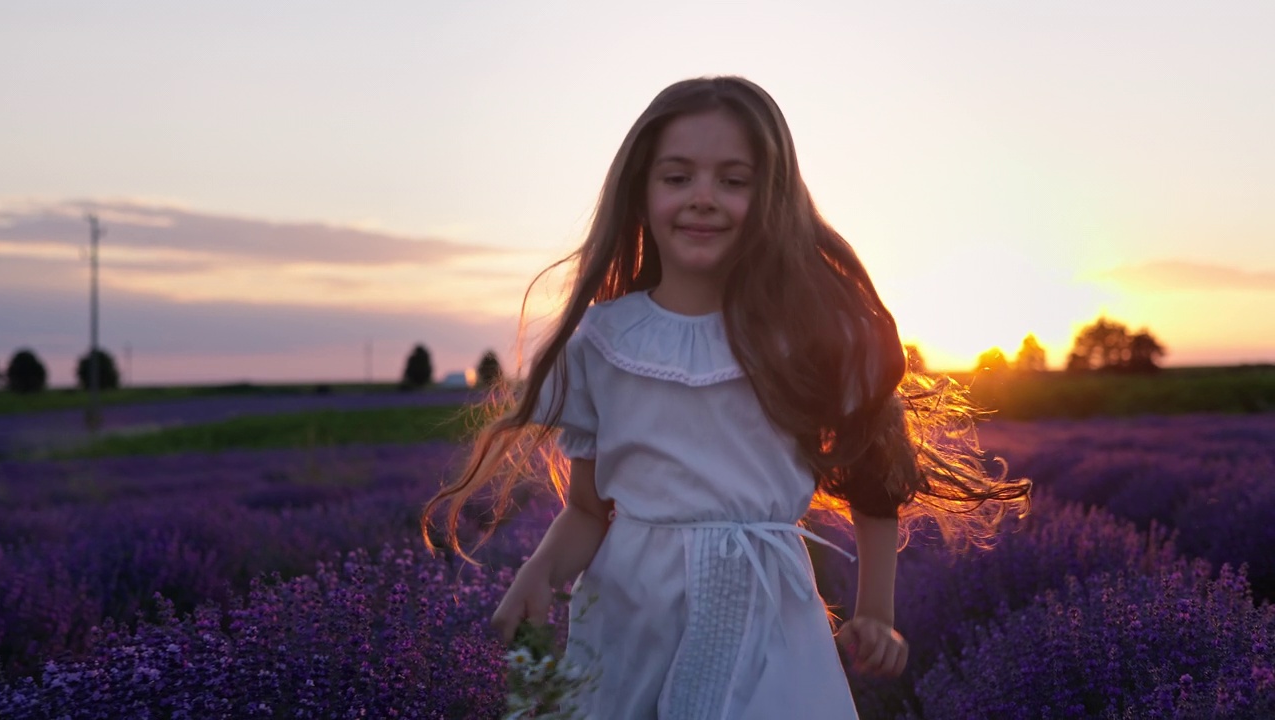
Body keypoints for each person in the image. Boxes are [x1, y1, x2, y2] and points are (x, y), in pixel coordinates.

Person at [424, 76, 1032, 719]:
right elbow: (587, 509)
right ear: (641, 192)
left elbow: (875, 478)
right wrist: (541, 573)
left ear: (771, 198)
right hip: (632, 618)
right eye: (677, 177)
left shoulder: (807, 338)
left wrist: (875, 614)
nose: (703, 198)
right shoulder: (604, 341)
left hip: (768, 615)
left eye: (733, 181)